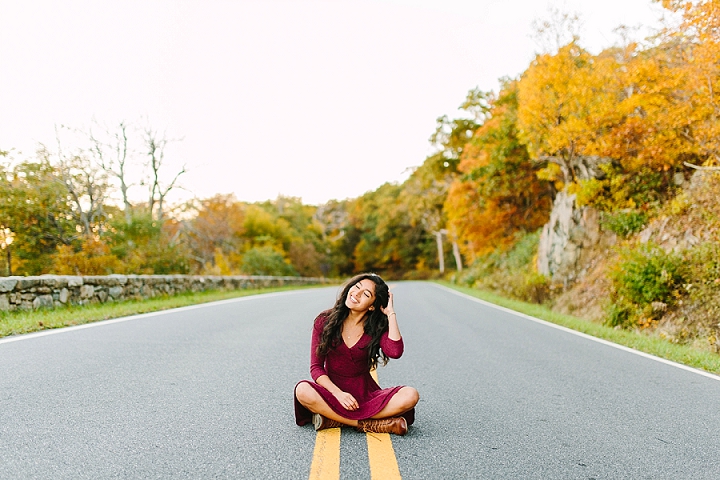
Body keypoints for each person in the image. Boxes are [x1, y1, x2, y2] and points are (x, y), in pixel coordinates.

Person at [294, 273, 419, 435]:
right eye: (357, 287)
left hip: (365, 395)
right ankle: (369, 425)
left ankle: (334, 419)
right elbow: (316, 368)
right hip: (332, 391)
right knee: (302, 390)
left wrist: (390, 314)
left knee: (411, 395)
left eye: (366, 294)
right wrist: (338, 394)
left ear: (372, 305)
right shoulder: (324, 320)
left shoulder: (376, 327)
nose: (356, 294)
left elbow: (395, 351)